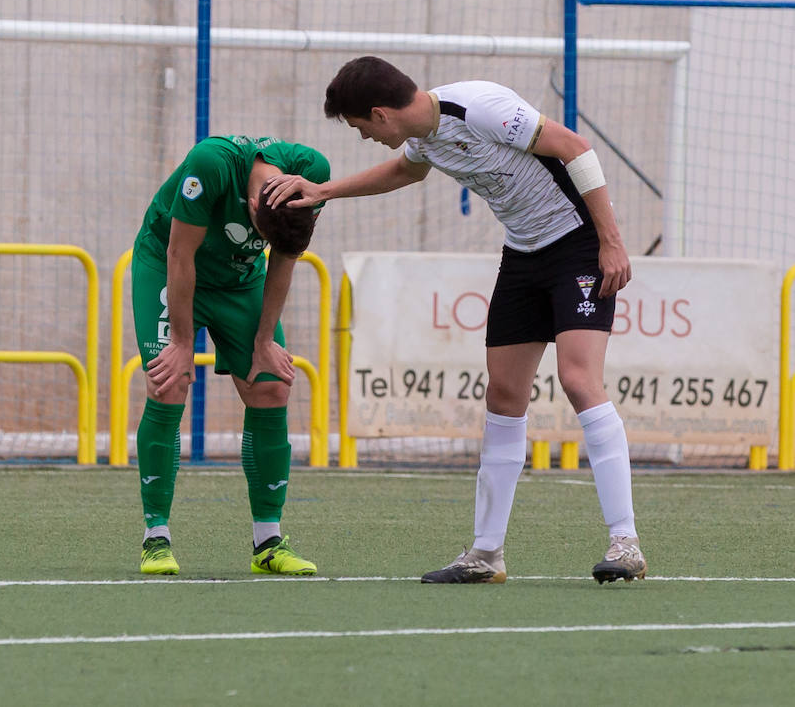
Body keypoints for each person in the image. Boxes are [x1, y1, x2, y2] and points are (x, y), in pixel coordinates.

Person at [264, 56, 645, 585]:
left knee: (579, 380)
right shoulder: (421, 138)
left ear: (380, 114)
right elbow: (406, 170)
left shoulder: (481, 108)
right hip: (523, 253)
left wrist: (610, 241)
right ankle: (486, 554)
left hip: (578, 247)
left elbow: (576, 148)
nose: (363, 138)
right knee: (504, 395)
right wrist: (325, 190)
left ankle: (624, 542)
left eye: (359, 128)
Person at [131, 135, 330, 576]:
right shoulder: (212, 164)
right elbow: (180, 255)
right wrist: (182, 343)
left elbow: (283, 260)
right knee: (169, 382)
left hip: (239, 280)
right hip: (169, 267)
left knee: (272, 385)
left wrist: (264, 340)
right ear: (255, 207)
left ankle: (268, 542)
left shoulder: (310, 173)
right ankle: (156, 537)